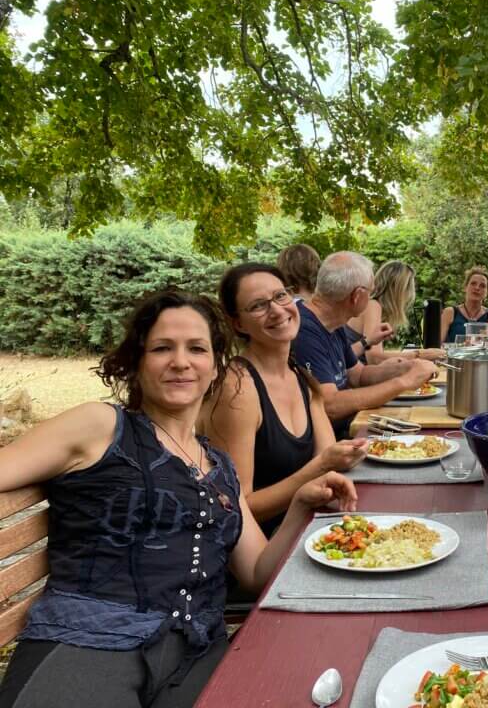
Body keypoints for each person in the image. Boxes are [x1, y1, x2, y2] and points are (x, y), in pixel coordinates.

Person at [0, 290, 357, 708]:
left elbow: (257, 572)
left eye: (197, 349)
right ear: (137, 361)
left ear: (215, 365)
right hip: (89, 646)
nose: (181, 362)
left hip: (193, 656)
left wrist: (300, 505)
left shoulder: (218, 465)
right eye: (162, 348)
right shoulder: (102, 427)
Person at [203, 263, 367, 537]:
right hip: (266, 555)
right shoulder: (237, 389)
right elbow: (236, 506)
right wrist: (324, 465)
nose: (278, 310)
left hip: (313, 531)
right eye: (258, 305)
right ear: (238, 323)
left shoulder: (302, 378)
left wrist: (346, 455)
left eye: (281, 296)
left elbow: (328, 463)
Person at [291, 251, 436, 439]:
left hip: (346, 430)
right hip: (327, 443)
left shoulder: (334, 323)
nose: (372, 297)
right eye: (371, 291)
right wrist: (404, 382)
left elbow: (358, 375)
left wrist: (406, 368)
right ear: (357, 296)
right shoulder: (304, 329)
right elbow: (330, 405)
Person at [345, 260, 444, 364]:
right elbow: (374, 358)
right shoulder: (372, 306)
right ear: (399, 290)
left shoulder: (373, 306)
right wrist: (419, 355)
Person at [441, 266, 488, 343]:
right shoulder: (450, 313)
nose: (477, 288)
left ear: (487, 292)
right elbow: (437, 345)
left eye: (482, 286)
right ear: (465, 287)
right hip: (453, 355)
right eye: (473, 283)